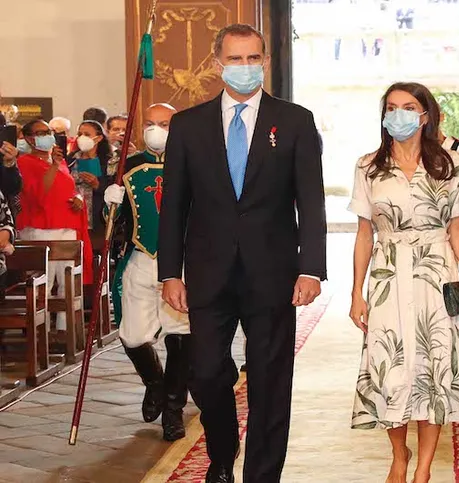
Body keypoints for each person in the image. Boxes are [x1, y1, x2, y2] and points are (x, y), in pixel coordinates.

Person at [158, 23, 326, 483]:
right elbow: (174, 205)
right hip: (207, 272)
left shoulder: (294, 120)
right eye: (235, 58)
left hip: (273, 272)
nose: (245, 67)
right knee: (206, 372)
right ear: (218, 64)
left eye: (253, 58)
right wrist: (170, 272)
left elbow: (311, 200)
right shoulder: (188, 125)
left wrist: (311, 268)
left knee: (270, 380)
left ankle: (261, 475)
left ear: (266, 62)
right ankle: (222, 450)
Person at [349, 82, 459, 483]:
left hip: (436, 275)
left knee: (433, 366)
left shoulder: (449, 164)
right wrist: (356, 293)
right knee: (389, 367)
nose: (399, 115)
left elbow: (457, 230)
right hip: (388, 277)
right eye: (391, 107)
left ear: (425, 116)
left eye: (409, 107)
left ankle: (423, 467)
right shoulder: (368, 166)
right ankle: (399, 453)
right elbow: (364, 234)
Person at [103, 103, 191, 442]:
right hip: (141, 257)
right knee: (133, 335)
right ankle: (155, 384)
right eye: (151, 123)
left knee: (181, 335)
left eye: (165, 124)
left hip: (182, 263)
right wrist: (109, 204)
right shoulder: (129, 166)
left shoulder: (193, 161)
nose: (156, 130)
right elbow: (113, 225)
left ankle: (173, 410)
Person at [16, 120, 94, 334]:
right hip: (41, 229)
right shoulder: (24, 163)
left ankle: (64, 330)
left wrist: (78, 198)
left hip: (66, 227)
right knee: (44, 283)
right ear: (29, 138)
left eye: (48, 132)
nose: (47, 136)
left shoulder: (58, 161)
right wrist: (53, 165)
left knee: (67, 282)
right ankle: (39, 333)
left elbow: (68, 188)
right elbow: (38, 194)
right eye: (41, 133)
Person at [68, 120, 113, 245]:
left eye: (87, 134)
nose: (82, 137)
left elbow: (115, 188)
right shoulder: (71, 159)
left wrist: (97, 184)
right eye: (80, 134)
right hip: (73, 214)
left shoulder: (109, 161)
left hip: (97, 217)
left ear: (98, 138)